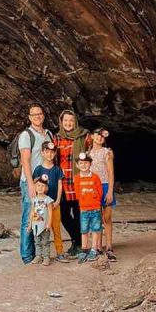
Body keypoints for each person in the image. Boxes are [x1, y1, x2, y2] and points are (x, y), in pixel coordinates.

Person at [18, 104, 55, 264]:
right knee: (29, 217)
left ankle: (39, 253)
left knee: (42, 216)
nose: (37, 117)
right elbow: (25, 161)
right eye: (34, 115)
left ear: (43, 115)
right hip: (31, 182)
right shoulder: (26, 135)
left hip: (45, 183)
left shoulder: (49, 134)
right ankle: (27, 256)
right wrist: (30, 184)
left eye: (39, 113)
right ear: (29, 117)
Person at [53, 110, 92, 258]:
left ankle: (78, 244)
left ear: (75, 121)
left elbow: (93, 150)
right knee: (64, 215)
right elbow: (53, 159)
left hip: (79, 182)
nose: (68, 123)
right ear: (61, 122)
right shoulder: (57, 137)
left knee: (79, 215)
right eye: (65, 120)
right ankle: (78, 240)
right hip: (63, 182)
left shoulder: (84, 135)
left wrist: (107, 152)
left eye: (71, 120)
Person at [33, 141, 68, 263]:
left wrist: (58, 200)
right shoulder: (38, 169)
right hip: (41, 206)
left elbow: (60, 185)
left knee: (56, 229)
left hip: (54, 205)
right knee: (39, 229)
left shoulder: (57, 169)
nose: (49, 154)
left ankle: (60, 252)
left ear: (55, 154)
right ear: (42, 153)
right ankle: (41, 255)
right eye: (47, 152)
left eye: (52, 152)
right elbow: (35, 186)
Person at [90, 127, 117, 261]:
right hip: (93, 187)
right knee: (97, 218)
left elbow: (111, 173)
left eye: (102, 136)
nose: (99, 137)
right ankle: (98, 246)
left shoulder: (107, 152)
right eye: (97, 134)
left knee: (107, 218)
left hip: (105, 185)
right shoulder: (87, 154)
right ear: (92, 136)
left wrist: (110, 191)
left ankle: (109, 247)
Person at [73, 152, 103, 263]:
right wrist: (84, 201)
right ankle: (84, 249)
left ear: (90, 164)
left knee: (95, 229)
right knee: (84, 230)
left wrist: (94, 200)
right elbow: (77, 193)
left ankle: (94, 249)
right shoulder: (77, 178)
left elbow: (100, 192)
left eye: (86, 163)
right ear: (77, 165)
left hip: (95, 208)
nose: (84, 165)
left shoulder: (95, 177)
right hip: (84, 209)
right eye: (81, 163)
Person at [28, 179, 54, 266]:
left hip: (44, 225)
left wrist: (49, 223)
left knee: (45, 242)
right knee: (37, 242)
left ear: (46, 188)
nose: (40, 188)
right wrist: (30, 224)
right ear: (35, 187)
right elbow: (32, 212)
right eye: (38, 186)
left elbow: (50, 212)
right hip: (35, 224)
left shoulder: (48, 200)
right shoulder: (34, 200)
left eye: (42, 186)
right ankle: (38, 256)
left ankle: (46, 257)